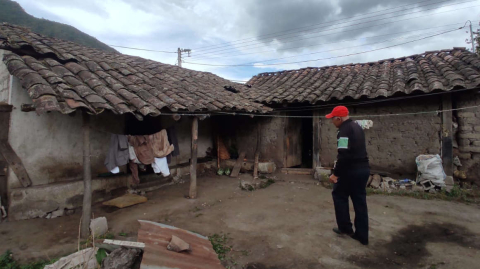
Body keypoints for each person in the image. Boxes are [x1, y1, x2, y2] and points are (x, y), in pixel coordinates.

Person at [326, 106, 370, 245]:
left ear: (338, 118)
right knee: (360, 202)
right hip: (363, 169)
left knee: (339, 196)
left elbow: (343, 155)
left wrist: (335, 174)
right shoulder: (357, 126)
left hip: (350, 171)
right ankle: (362, 236)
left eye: (333, 118)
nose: (332, 121)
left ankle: (345, 228)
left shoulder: (343, 131)